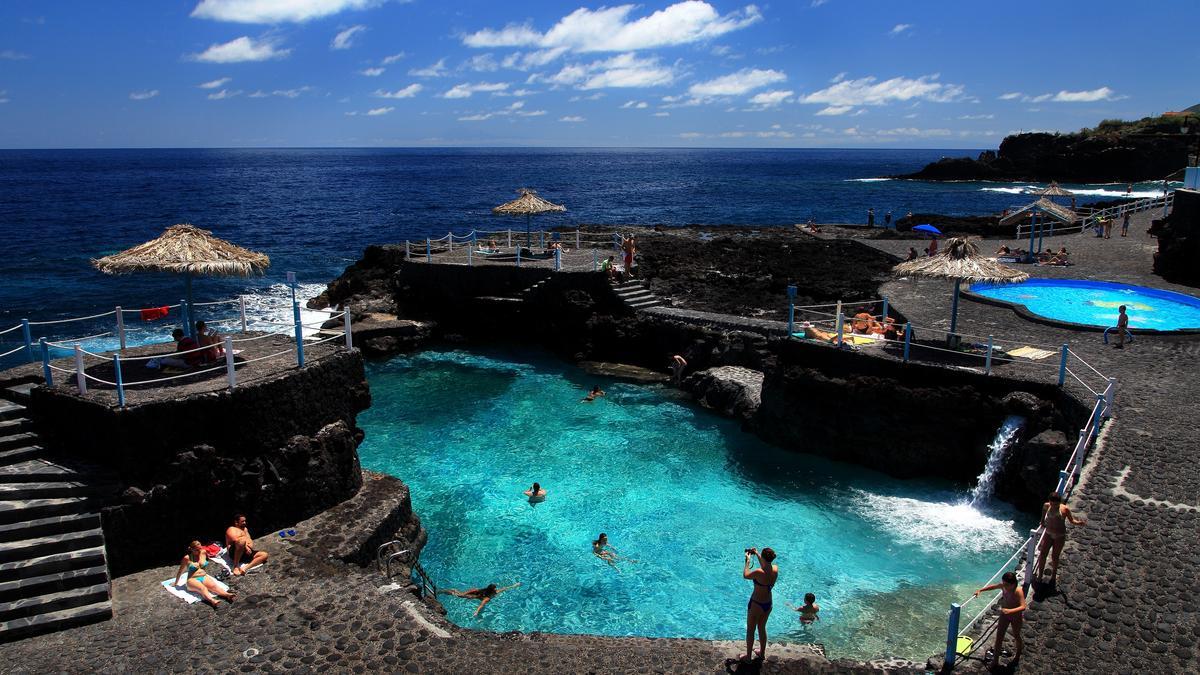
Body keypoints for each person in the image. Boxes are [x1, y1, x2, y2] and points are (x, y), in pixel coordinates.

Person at [973, 571, 1026, 664]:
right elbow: (993, 587)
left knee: (1016, 635)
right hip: (1004, 615)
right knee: (999, 637)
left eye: (1006, 584)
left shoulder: (1018, 591)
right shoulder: (1003, 586)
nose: (1004, 586)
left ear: (1013, 584)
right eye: (1003, 583)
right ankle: (995, 661)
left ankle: (1018, 654)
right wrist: (980, 590)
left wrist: (1010, 611)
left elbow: (1023, 606)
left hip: (1015, 616)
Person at [1034, 492, 1086, 580]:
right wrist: (1042, 521)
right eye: (1052, 503)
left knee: (1055, 556)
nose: (1053, 505)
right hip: (1048, 533)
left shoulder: (1064, 509)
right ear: (1049, 501)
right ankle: (1040, 575)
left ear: (1060, 502)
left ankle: (1053, 575)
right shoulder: (1046, 506)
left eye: (1056, 504)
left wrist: (1079, 523)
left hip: (1059, 535)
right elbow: (1043, 515)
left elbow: (1072, 520)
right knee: (1043, 554)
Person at [741, 547, 778, 662]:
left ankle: (748, 657)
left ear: (764, 557)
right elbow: (766, 565)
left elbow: (745, 575)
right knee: (762, 628)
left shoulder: (758, 572)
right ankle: (762, 654)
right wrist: (756, 553)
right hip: (768, 603)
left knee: (750, 630)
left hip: (756, 604)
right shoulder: (775, 569)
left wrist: (747, 561)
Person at [175, 540, 236, 608]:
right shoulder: (187, 558)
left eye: (200, 548)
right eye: (196, 550)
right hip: (192, 579)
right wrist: (176, 583)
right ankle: (212, 601)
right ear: (191, 549)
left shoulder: (203, 552)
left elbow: (211, 555)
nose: (199, 551)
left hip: (203, 576)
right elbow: (180, 571)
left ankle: (227, 595)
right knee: (202, 588)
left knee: (214, 586)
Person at [440, 583, 520, 617]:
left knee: (458, 593)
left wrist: (514, 586)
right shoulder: (488, 598)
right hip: (472, 597)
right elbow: (482, 605)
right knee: (457, 595)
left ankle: (444, 591)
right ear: (492, 591)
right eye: (495, 588)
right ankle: (444, 591)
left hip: (474, 593)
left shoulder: (485, 590)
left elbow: (504, 588)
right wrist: (476, 612)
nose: (497, 589)